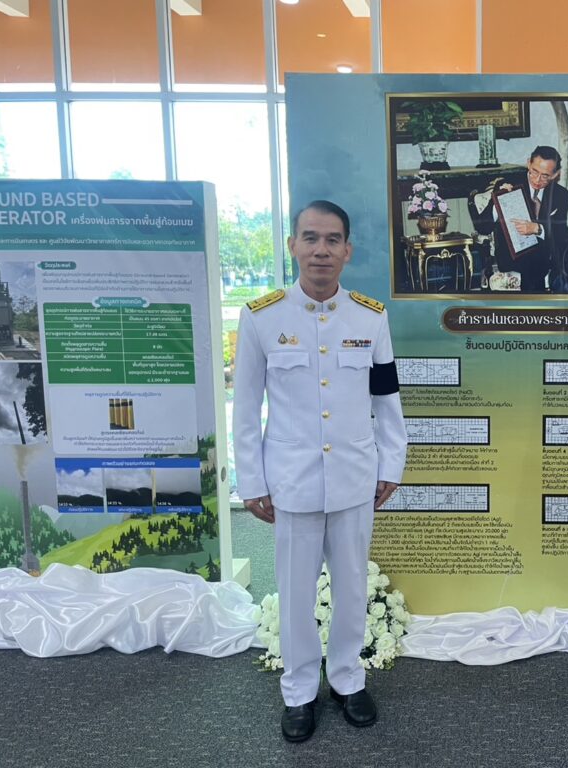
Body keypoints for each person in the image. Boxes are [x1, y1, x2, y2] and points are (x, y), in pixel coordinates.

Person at [233, 200, 408, 743]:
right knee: (295, 594)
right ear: (293, 246)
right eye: (310, 238)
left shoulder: (370, 317)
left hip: (355, 477)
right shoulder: (262, 317)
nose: (321, 250)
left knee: (352, 589)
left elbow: (386, 398)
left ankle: (349, 680)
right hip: (292, 480)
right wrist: (251, 481)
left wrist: (392, 462)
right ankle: (299, 691)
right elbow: (246, 407)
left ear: (347, 250)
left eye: (333, 240)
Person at [470, 145, 568, 292]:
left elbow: (560, 231)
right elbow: (483, 227)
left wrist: (537, 229)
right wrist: (499, 201)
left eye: (545, 176)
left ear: (555, 174)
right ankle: (532, 304)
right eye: (534, 171)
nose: (537, 180)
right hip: (513, 254)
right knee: (533, 261)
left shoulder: (560, 194)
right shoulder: (508, 183)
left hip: (546, 253)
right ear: (528, 163)